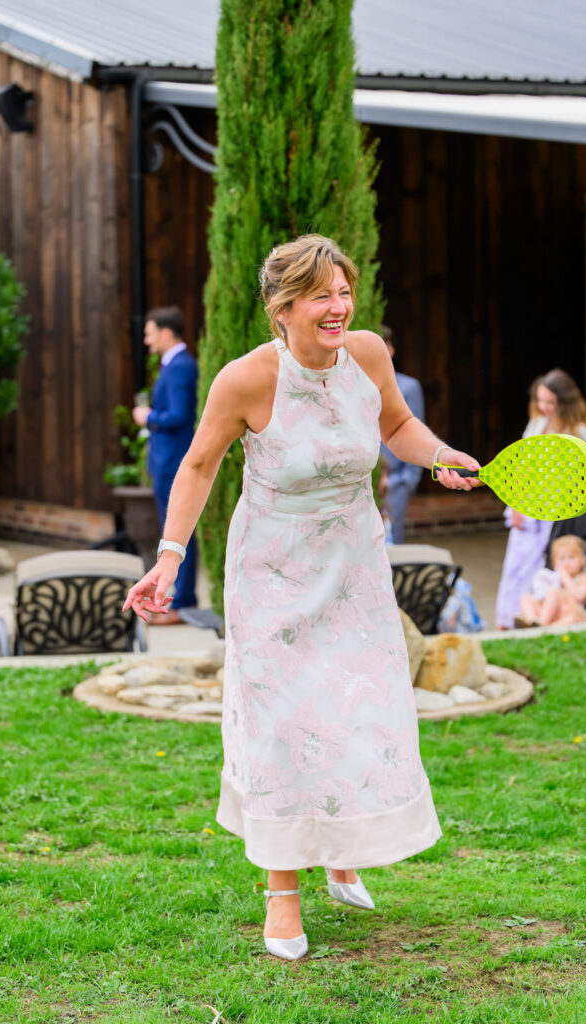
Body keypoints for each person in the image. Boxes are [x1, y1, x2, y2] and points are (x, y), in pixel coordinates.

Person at [123, 235, 480, 961]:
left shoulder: (367, 355)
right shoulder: (246, 380)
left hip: (354, 567)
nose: (339, 307)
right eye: (322, 296)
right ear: (282, 308)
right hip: (273, 575)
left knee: (356, 713)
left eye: (344, 292)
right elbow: (198, 466)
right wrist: (168, 557)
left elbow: (396, 426)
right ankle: (281, 894)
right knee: (283, 726)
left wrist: (439, 454)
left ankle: (341, 851)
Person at [494, 369, 586, 630]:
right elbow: (521, 464)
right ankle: (507, 621)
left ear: (565, 402)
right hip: (525, 505)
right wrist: (516, 503)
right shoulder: (537, 423)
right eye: (540, 401)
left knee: (538, 567)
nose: (544, 407)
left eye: (550, 402)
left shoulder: (579, 432)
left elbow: (572, 477)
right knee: (514, 565)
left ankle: (538, 618)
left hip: (552, 511)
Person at [132, 306, 198, 623]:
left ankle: (182, 603)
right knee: (172, 531)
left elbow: (179, 415)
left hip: (174, 462)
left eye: (150, 333)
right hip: (165, 460)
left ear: (166, 332)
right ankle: (178, 599)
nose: (147, 341)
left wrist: (148, 417)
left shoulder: (181, 366)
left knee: (177, 532)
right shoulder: (173, 364)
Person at [379, 325, 425, 543]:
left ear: (391, 350)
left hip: (395, 481)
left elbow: (417, 433)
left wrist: (407, 481)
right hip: (364, 479)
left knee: (391, 542)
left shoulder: (409, 387)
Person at [518, 535, 586, 627]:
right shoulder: (552, 577)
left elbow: (579, 597)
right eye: (562, 559)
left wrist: (565, 578)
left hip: (569, 613)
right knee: (525, 597)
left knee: (554, 591)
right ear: (554, 562)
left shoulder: (583, 578)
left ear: (582, 560)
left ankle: (542, 624)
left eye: (571, 558)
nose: (566, 563)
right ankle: (532, 620)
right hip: (551, 614)